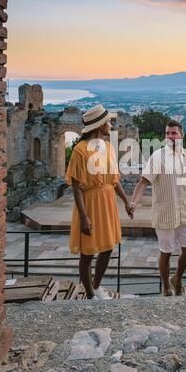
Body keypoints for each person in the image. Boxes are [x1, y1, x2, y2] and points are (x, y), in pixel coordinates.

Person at [65, 104, 133, 299]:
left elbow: (114, 179)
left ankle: (96, 286)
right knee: (87, 254)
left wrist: (126, 202)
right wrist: (84, 216)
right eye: (108, 122)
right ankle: (90, 296)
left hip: (107, 201)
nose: (110, 125)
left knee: (108, 247)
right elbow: (76, 187)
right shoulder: (80, 150)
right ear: (99, 125)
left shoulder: (109, 147)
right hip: (90, 202)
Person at [131, 120, 186, 296]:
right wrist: (134, 203)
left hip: (185, 211)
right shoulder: (158, 157)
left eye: (174, 133)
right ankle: (166, 288)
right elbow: (143, 182)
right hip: (165, 212)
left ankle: (177, 278)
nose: (170, 137)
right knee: (166, 252)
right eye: (167, 133)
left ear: (181, 135)